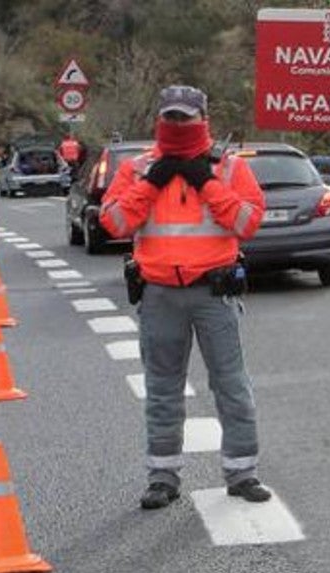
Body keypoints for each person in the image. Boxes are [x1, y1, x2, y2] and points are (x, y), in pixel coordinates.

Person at [99, 85, 271, 510]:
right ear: (159, 118)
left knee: (231, 386)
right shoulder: (140, 169)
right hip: (159, 294)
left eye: (185, 118)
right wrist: (152, 183)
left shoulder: (228, 168)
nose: (177, 125)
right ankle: (162, 477)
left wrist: (207, 183)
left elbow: (248, 221)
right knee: (162, 389)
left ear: (202, 119)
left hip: (214, 292)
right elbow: (115, 222)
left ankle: (242, 472)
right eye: (171, 117)